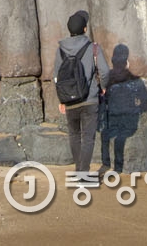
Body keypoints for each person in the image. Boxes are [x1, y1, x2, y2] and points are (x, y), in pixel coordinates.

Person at [53, 9, 109, 173]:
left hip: (69, 100)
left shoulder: (60, 50)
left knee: (74, 135)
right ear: (85, 29)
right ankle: (82, 173)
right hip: (89, 99)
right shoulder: (93, 48)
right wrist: (103, 87)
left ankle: (80, 171)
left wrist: (61, 100)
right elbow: (104, 72)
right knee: (88, 138)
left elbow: (56, 77)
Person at [99, 43, 147, 172]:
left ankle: (106, 164)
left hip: (112, 122)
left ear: (112, 61)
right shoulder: (134, 79)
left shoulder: (108, 79)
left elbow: (102, 100)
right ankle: (118, 167)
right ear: (127, 62)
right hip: (130, 121)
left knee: (106, 134)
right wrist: (136, 109)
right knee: (119, 135)